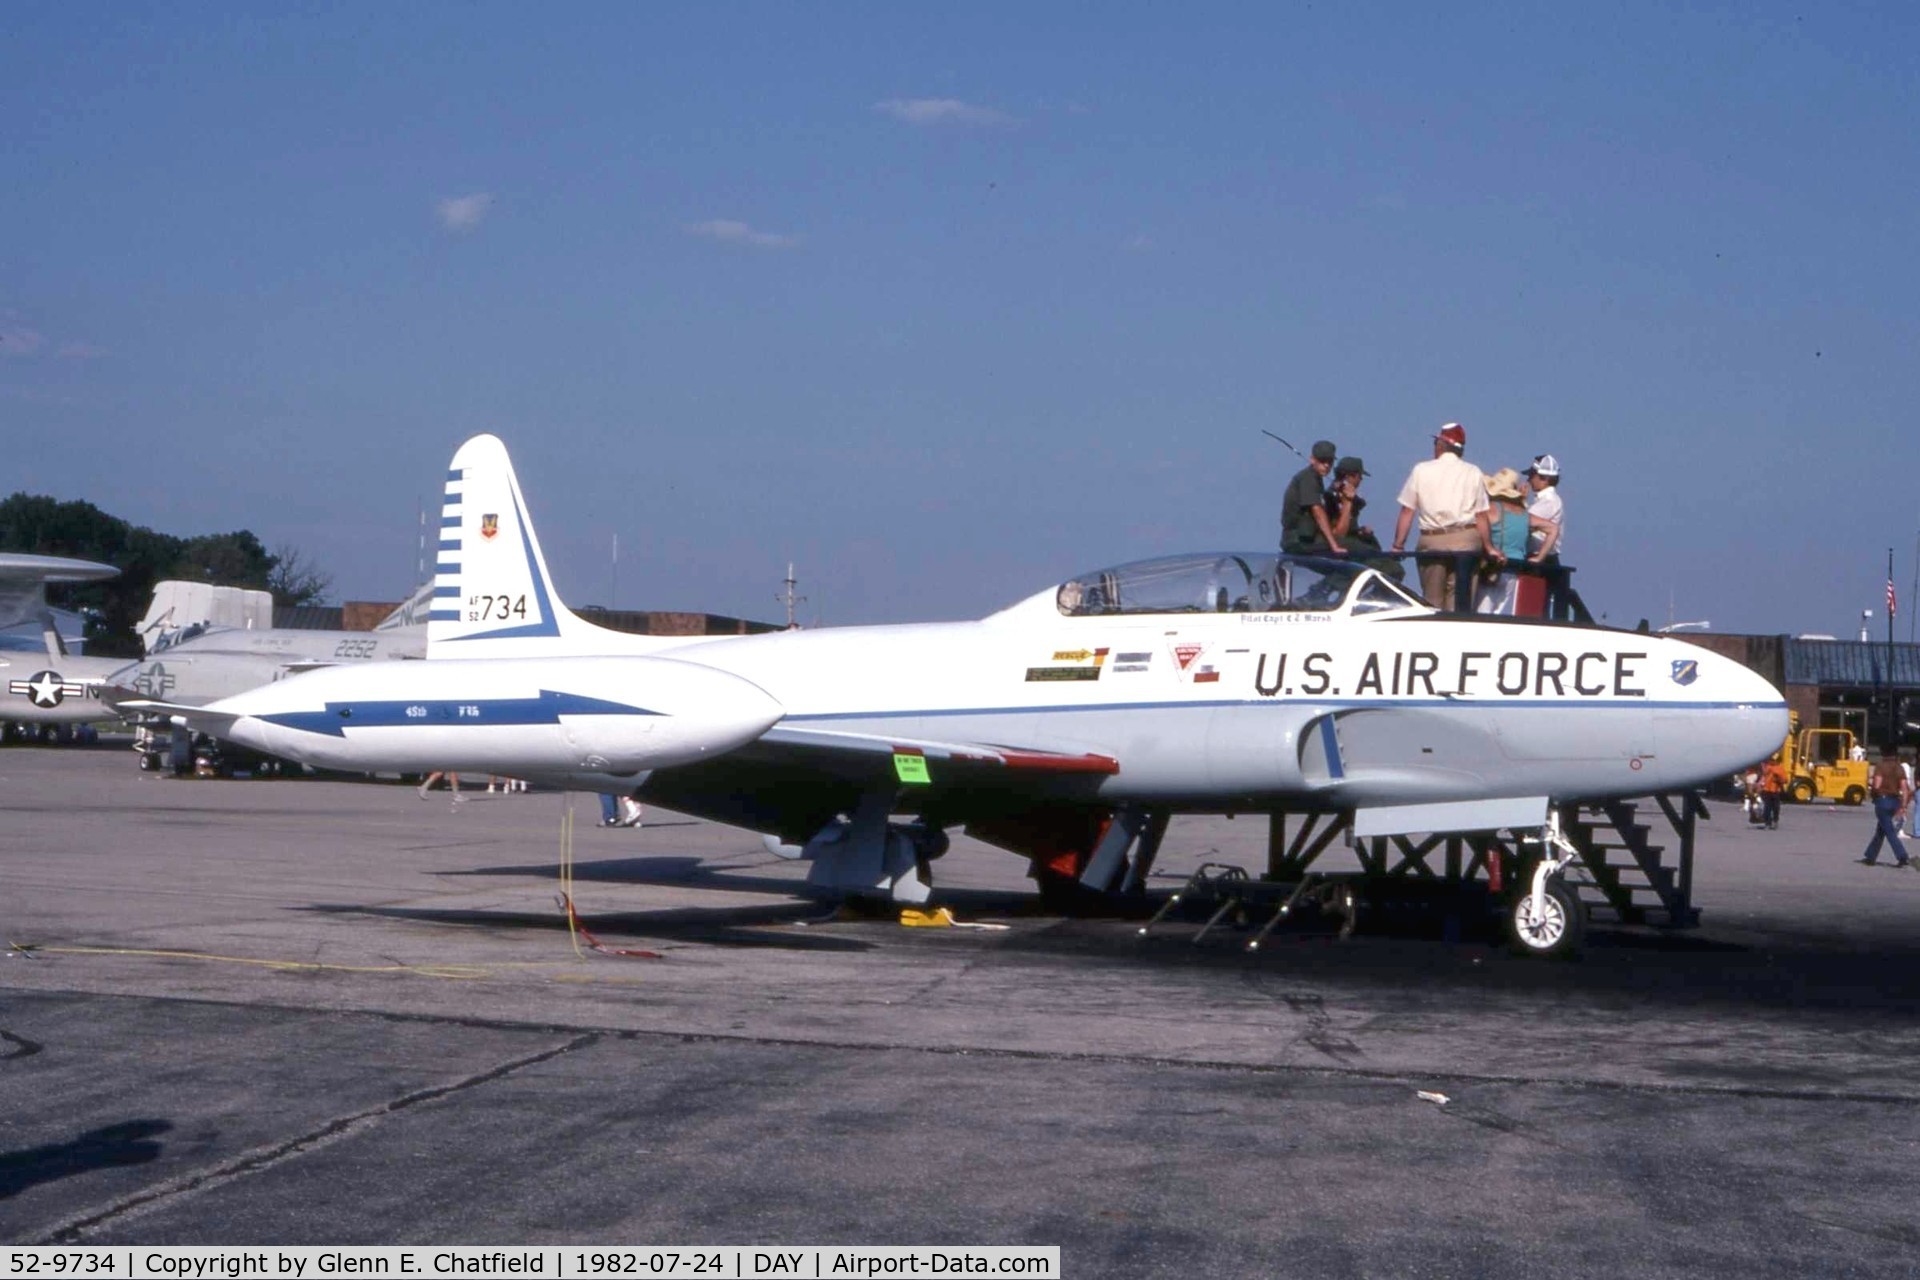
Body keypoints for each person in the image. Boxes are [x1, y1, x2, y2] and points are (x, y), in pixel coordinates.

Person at [1390, 423, 1498, 610]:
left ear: (1441, 444)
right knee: (1460, 603)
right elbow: (1481, 514)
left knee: (1432, 602)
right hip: (1466, 540)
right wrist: (1489, 547)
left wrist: (1398, 545)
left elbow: (1408, 511)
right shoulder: (1473, 472)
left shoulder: (1421, 470)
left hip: (1432, 541)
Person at [1473, 469, 1535, 614]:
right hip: (1514, 571)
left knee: (1482, 614)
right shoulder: (1523, 514)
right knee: (1503, 615)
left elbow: (1478, 522)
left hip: (1492, 568)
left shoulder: (1491, 509)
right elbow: (1552, 527)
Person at [1281, 440, 1344, 555]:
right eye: (1322, 461)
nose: (1326, 465)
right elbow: (1317, 511)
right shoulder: (1308, 478)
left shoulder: (1316, 479)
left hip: (1307, 539)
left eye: (1330, 462)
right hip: (1297, 541)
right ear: (1312, 459)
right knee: (1347, 548)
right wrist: (1334, 545)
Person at [1859, 748, 1911, 868]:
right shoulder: (1899, 768)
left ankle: (1902, 855)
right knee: (1881, 829)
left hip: (1883, 801)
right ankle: (1870, 856)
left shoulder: (1881, 766)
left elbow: (1877, 784)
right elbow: (1904, 788)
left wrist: (1872, 792)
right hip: (1895, 801)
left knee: (1889, 831)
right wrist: (1903, 806)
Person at [1758, 757, 1788, 830]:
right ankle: (1767, 823)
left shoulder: (1780, 769)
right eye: (1771, 760)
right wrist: (1759, 786)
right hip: (1766, 790)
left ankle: (1775, 821)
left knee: (1775, 808)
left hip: (1775, 791)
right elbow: (1763, 777)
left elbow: (1785, 780)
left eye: (1773, 760)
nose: (1772, 762)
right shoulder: (1767, 768)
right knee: (1767, 808)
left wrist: (1778, 778)